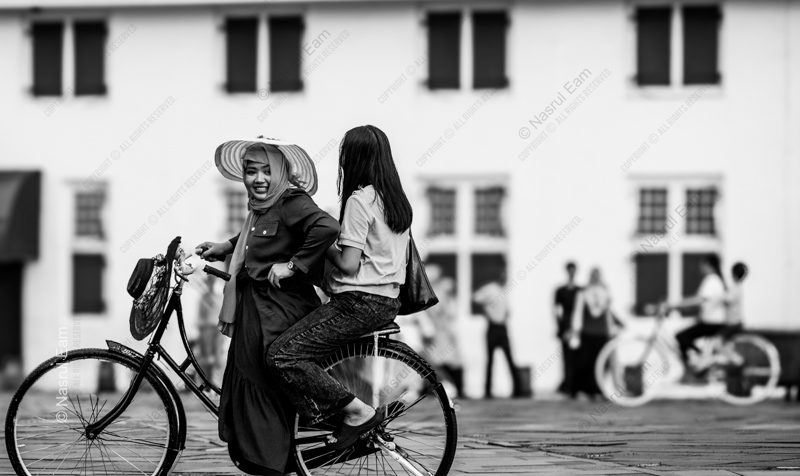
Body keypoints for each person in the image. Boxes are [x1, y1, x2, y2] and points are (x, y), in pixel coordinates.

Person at [196, 139, 339, 475]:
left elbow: (327, 227)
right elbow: (258, 237)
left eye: (266, 171)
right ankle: (258, 457)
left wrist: (294, 265)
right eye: (251, 171)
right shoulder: (261, 207)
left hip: (277, 309)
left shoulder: (292, 201)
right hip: (255, 308)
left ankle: (270, 461)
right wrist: (224, 246)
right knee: (247, 376)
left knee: (263, 381)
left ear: (281, 173)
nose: (258, 179)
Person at [267, 125, 412, 450]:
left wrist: (323, 242)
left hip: (358, 301)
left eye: (344, 155)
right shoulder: (395, 201)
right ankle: (346, 418)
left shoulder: (360, 200)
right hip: (387, 300)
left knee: (281, 355)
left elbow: (348, 264)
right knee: (311, 356)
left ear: (353, 159)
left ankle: (356, 413)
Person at [672, 254, 728, 373]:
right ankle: (701, 358)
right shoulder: (717, 280)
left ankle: (691, 369)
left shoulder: (711, 280)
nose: (700, 268)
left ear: (708, 265)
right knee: (687, 337)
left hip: (712, 323)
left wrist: (675, 305)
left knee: (681, 337)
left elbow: (699, 300)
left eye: (702, 265)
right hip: (713, 321)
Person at [569, 267, 617, 399]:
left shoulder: (605, 292)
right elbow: (577, 313)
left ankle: (598, 389)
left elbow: (607, 313)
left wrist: (611, 329)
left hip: (601, 333)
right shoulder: (583, 293)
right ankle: (584, 390)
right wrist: (575, 331)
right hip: (587, 332)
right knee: (585, 362)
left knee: (601, 363)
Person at [473, 275, 521, 399]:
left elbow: (508, 311)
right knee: (492, 361)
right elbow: (476, 298)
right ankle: (489, 390)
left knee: (507, 359)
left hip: (501, 327)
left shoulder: (502, 290)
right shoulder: (491, 289)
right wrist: (488, 306)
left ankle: (517, 389)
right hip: (494, 326)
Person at [553, 261, 580, 396]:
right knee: (566, 357)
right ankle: (568, 385)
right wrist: (561, 328)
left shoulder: (580, 290)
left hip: (577, 328)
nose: (571, 273)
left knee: (577, 358)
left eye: (573, 270)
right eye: (570, 270)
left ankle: (574, 384)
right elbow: (557, 311)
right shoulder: (560, 291)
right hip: (566, 326)